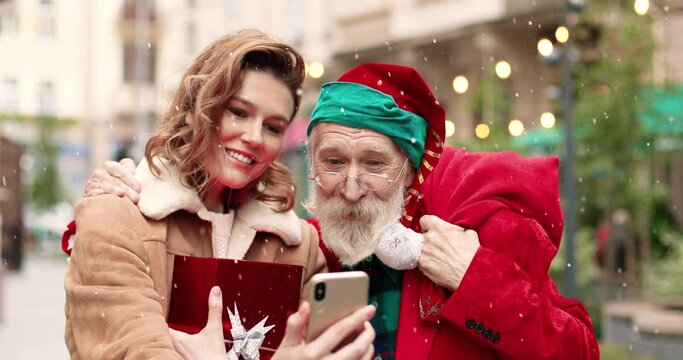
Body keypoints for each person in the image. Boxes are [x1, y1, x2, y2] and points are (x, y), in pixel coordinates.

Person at [78, 63, 600, 359]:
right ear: (312, 166)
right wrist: (117, 205)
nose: (351, 187)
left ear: (409, 168)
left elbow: (579, 352)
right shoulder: (307, 244)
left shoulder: (467, 235)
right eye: (333, 161)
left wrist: (474, 279)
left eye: (374, 162)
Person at [63, 29, 375, 360]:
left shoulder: (299, 245)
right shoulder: (116, 219)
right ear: (193, 109)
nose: (254, 137)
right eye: (238, 112)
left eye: (273, 127)